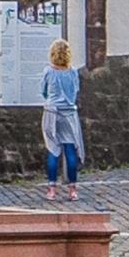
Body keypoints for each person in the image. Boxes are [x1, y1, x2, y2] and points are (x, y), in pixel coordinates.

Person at [41, 37, 85, 201]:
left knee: (53, 150)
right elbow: (76, 90)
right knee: (70, 150)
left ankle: (51, 189)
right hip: (69, 114)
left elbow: (43, 91)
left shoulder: (48, 72)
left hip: (52, 112)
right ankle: (72, 189)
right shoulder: (73, 72)